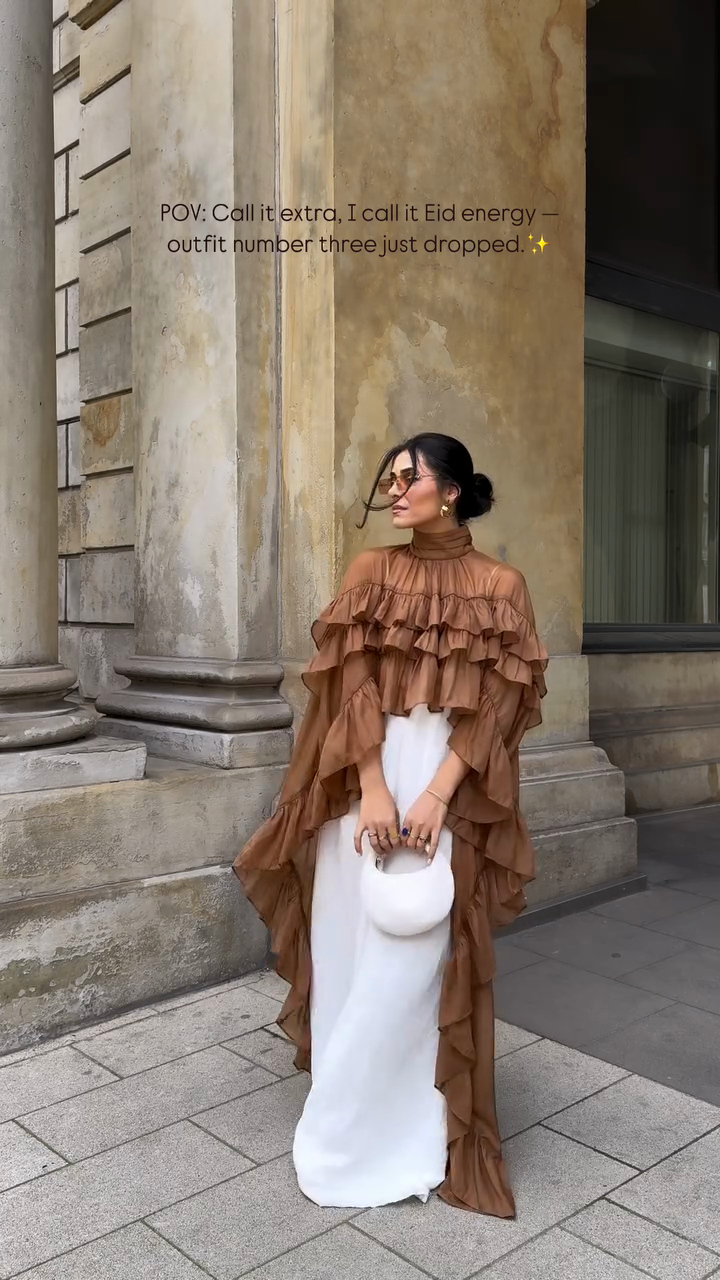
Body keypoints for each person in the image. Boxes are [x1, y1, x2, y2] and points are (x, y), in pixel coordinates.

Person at [233, 432, 548, 1215]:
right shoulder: (371, 570)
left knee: (420, 955)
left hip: (448, 790)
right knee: (351, 949)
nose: (394, 489)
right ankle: (345, 1121)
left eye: (410, 477)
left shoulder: (503, 585)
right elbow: (349, 688)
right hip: (364, 784)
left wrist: (437, 796)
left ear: (450, 490)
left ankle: (412, 1128)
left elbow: (501, 708)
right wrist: (372, 787)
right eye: (389, 479)